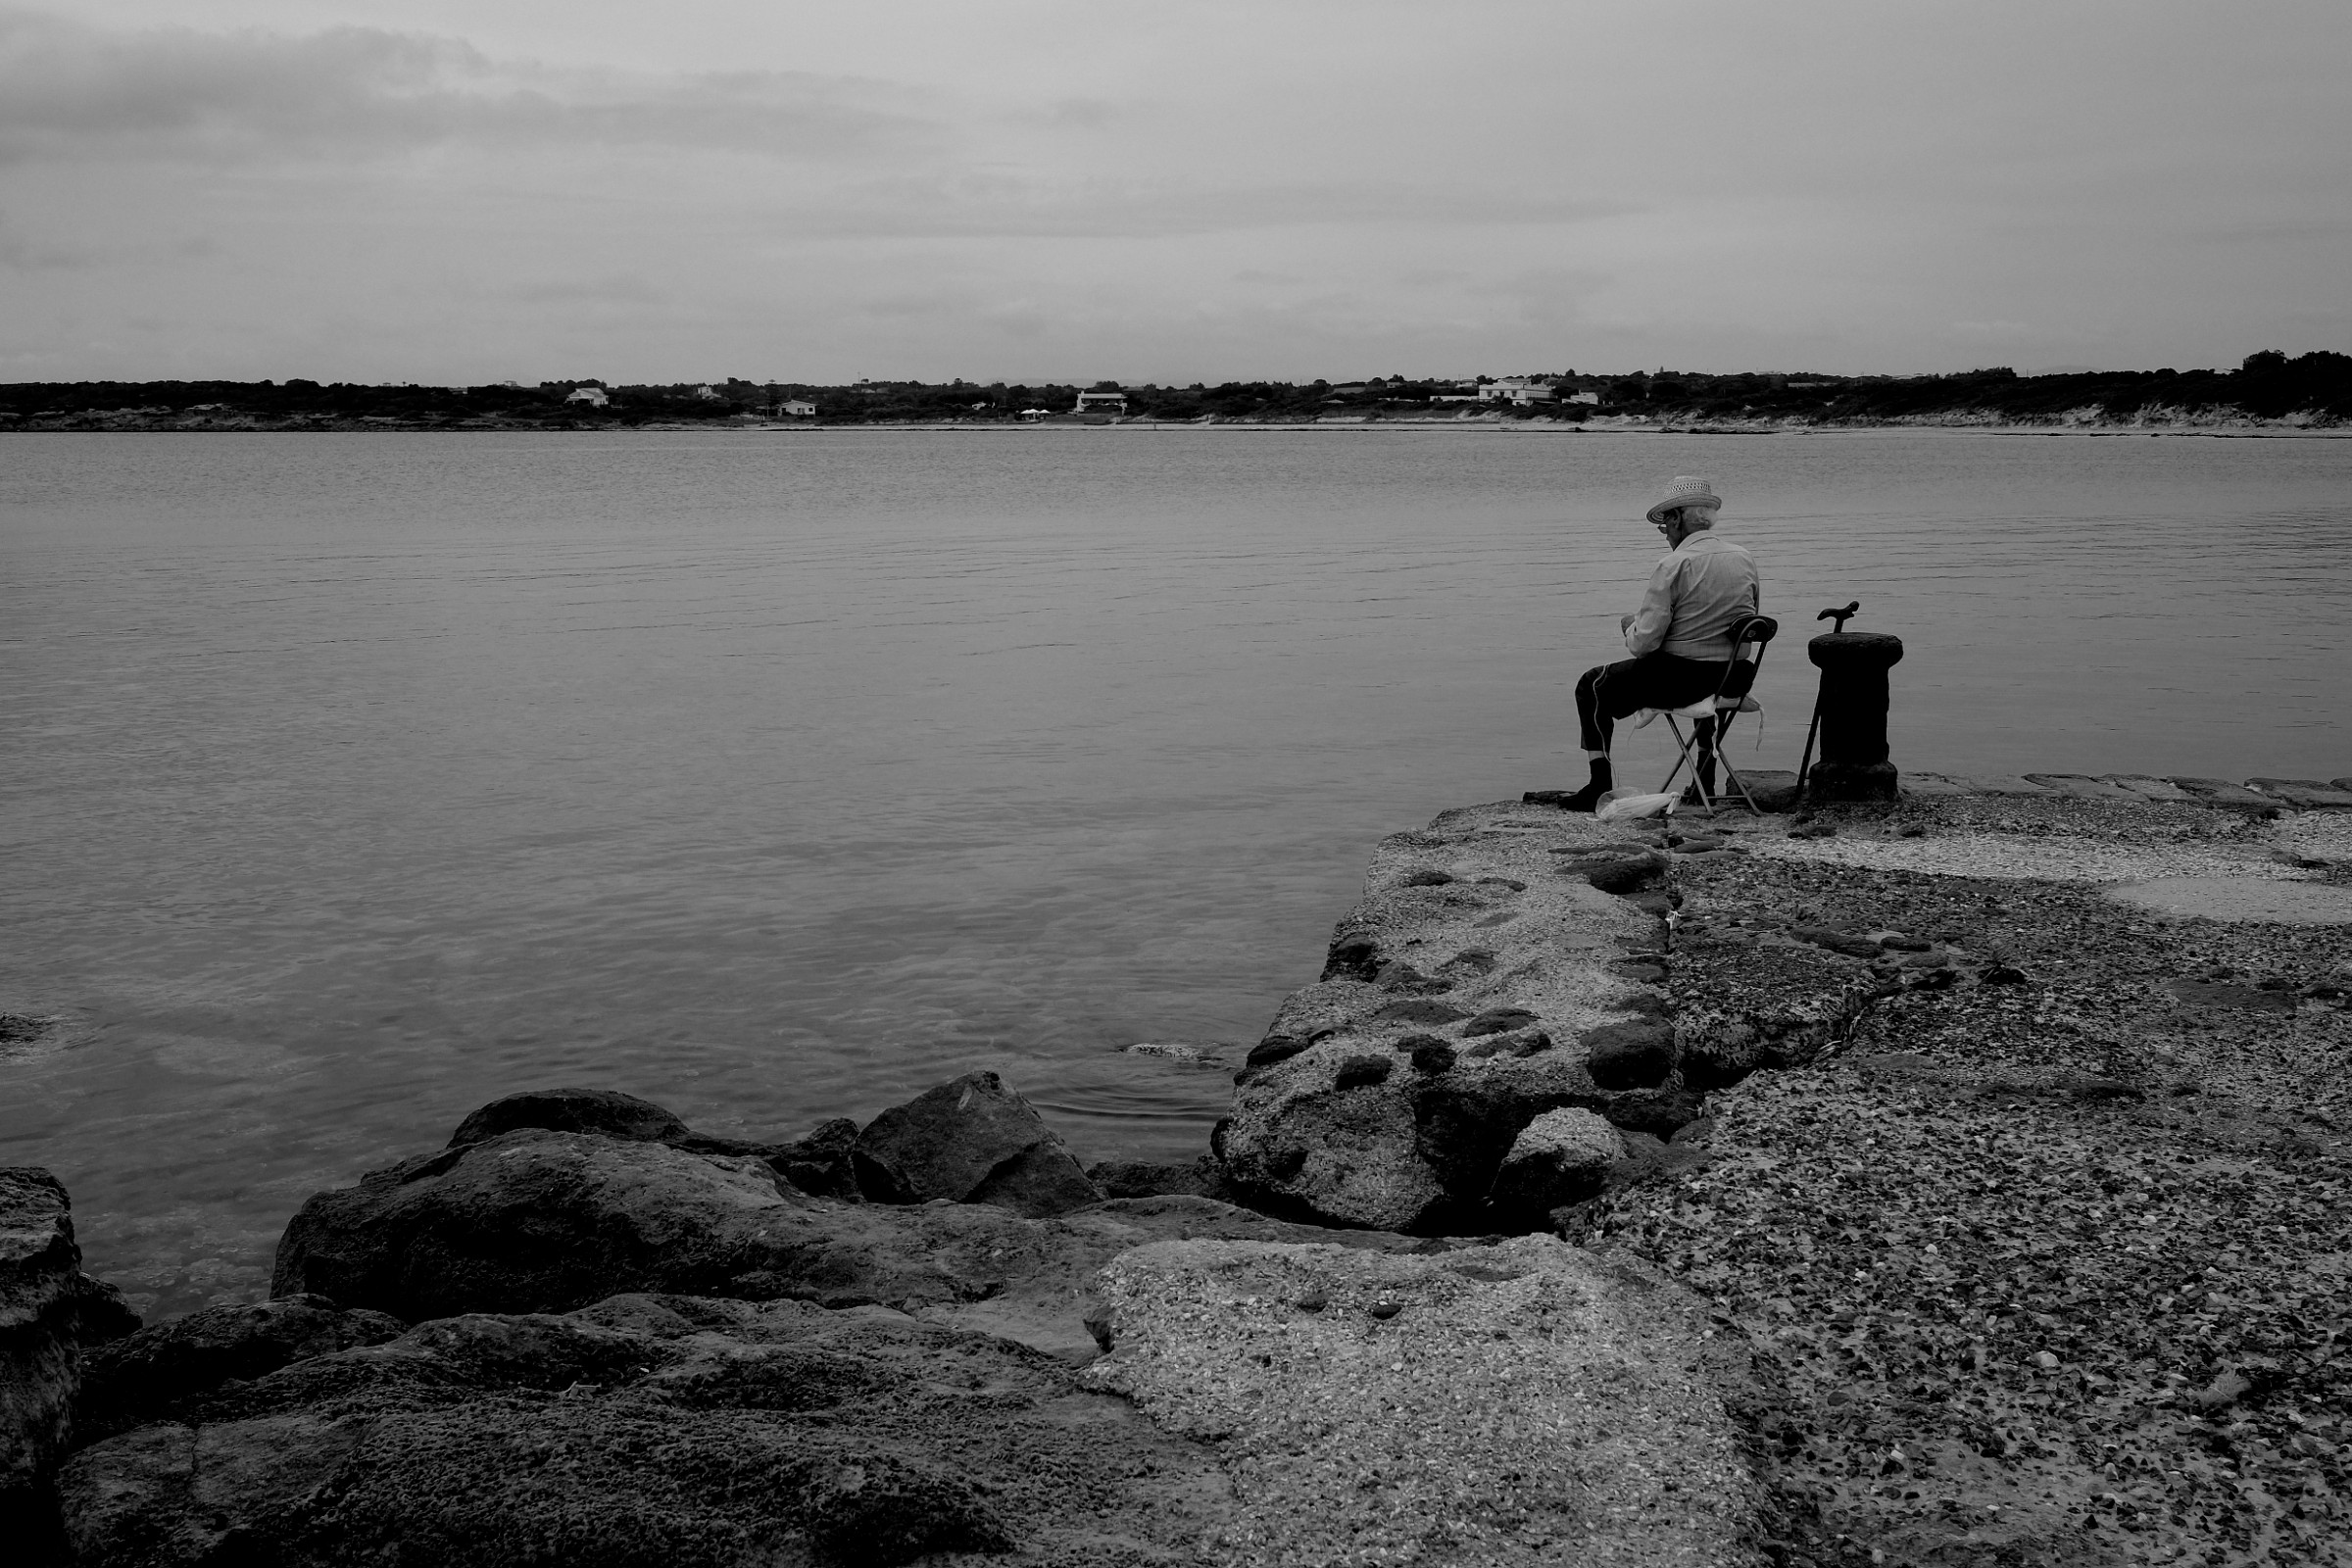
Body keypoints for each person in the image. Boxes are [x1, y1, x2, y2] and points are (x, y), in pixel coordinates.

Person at [1551, 475, 1760, 812]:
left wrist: (1629, 627)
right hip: (1733, 676)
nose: (1664, 532)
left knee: (1590, 685)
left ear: (1677, 519)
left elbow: (1643, 644)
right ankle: (1704, 777)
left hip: (1680, 682)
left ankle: (1598, 784)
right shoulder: (1744, 557)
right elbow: (1747, 620)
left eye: (1665, 524)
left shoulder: (1674, 564)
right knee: (1703, 665)